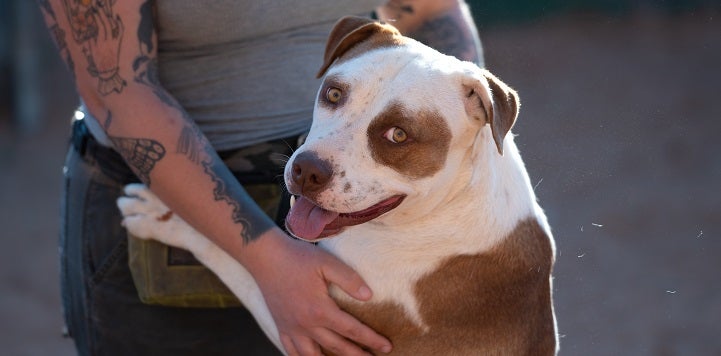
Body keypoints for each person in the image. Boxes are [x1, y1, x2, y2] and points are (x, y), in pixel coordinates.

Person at [38, 0, 484, 355]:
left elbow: (431, 11)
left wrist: (466, 134)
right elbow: (114, 87)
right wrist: (270, 260)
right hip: (172, 198)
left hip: (356, 193)